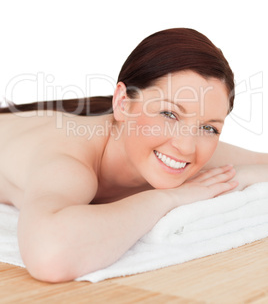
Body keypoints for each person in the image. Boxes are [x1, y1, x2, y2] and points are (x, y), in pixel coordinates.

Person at [0, 28, 267, 283]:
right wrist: (170, 197)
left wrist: (241, 176)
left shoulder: (182, 143)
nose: (186, 147)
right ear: (123, 103)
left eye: (209, 127)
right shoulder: (68, 163)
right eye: (169, 114)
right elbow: (50, 256)